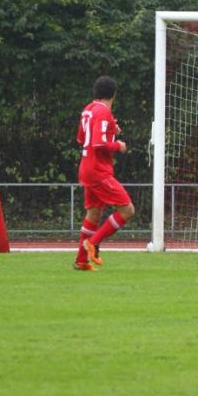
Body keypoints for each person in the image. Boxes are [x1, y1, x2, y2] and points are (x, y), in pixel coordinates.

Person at [76, 75, 134, 271]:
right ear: (113, 95)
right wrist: (118, 144)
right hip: (98, 171)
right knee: (127, 210)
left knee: (93, 214)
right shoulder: (103, 113)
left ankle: (81, 260)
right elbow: (98, 143)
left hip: (86, 167)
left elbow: (82, 138)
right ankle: (94, 242)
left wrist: (111, 130)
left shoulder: (88, 110)